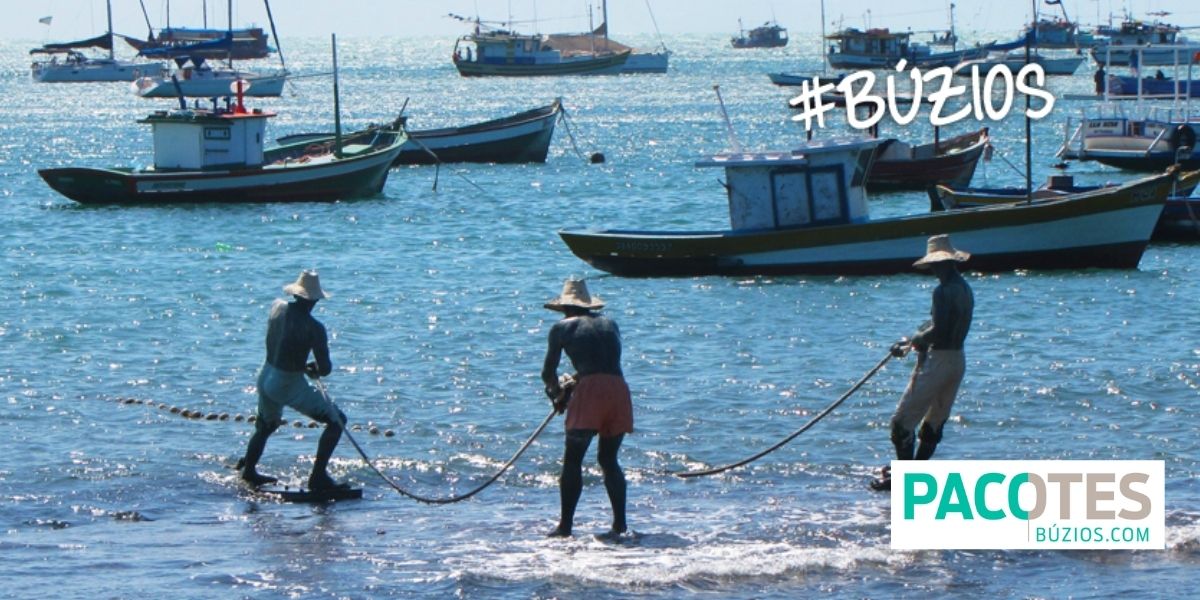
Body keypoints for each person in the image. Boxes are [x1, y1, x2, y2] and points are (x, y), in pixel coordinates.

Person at [872, 235, 974, 491]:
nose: (933, 270)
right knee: (934, 421)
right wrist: (914, 341)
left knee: (901, 423)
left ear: (942, 264)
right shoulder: (964, 288)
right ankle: (916, 475)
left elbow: (937, 331)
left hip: (938, 361)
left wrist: (916, 338)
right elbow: (946, 326)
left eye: (935, 265)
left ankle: (906, 481)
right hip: (957, 359)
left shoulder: (941, 291)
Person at [541, 279, 633, 538]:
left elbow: (548, 373)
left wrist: (557, 395)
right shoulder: (610, 324)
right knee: (609, 460)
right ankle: (620, 525)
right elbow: (601, 363)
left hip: (590, 392)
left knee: (573, 461)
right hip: (618, 389)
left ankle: (565, 527)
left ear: (565, 307)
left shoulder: (561, 328)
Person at [239, 270, 348, 491]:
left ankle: (249, 470)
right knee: (337, 421)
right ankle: (318, 477)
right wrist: (312, 369)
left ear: (296, 294)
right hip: (287, 383)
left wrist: (300, 365)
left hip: (266, 373)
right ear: (315, 299)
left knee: (265, 425)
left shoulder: (277, 307)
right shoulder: (315, 328)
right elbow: (325, 369)